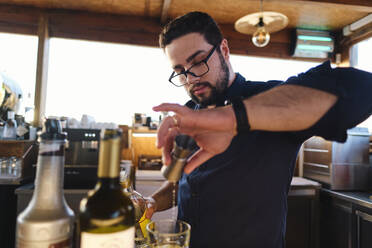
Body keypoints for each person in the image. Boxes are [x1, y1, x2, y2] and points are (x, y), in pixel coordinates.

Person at [145, 11, 372, 248]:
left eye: (198, 61)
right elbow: (181, 181)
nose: (190, 79)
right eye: (180, 71)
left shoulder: (270, 101)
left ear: (224, 50)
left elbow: (363, 90)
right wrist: (151, 201)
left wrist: (232, 118)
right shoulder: (189, 114)